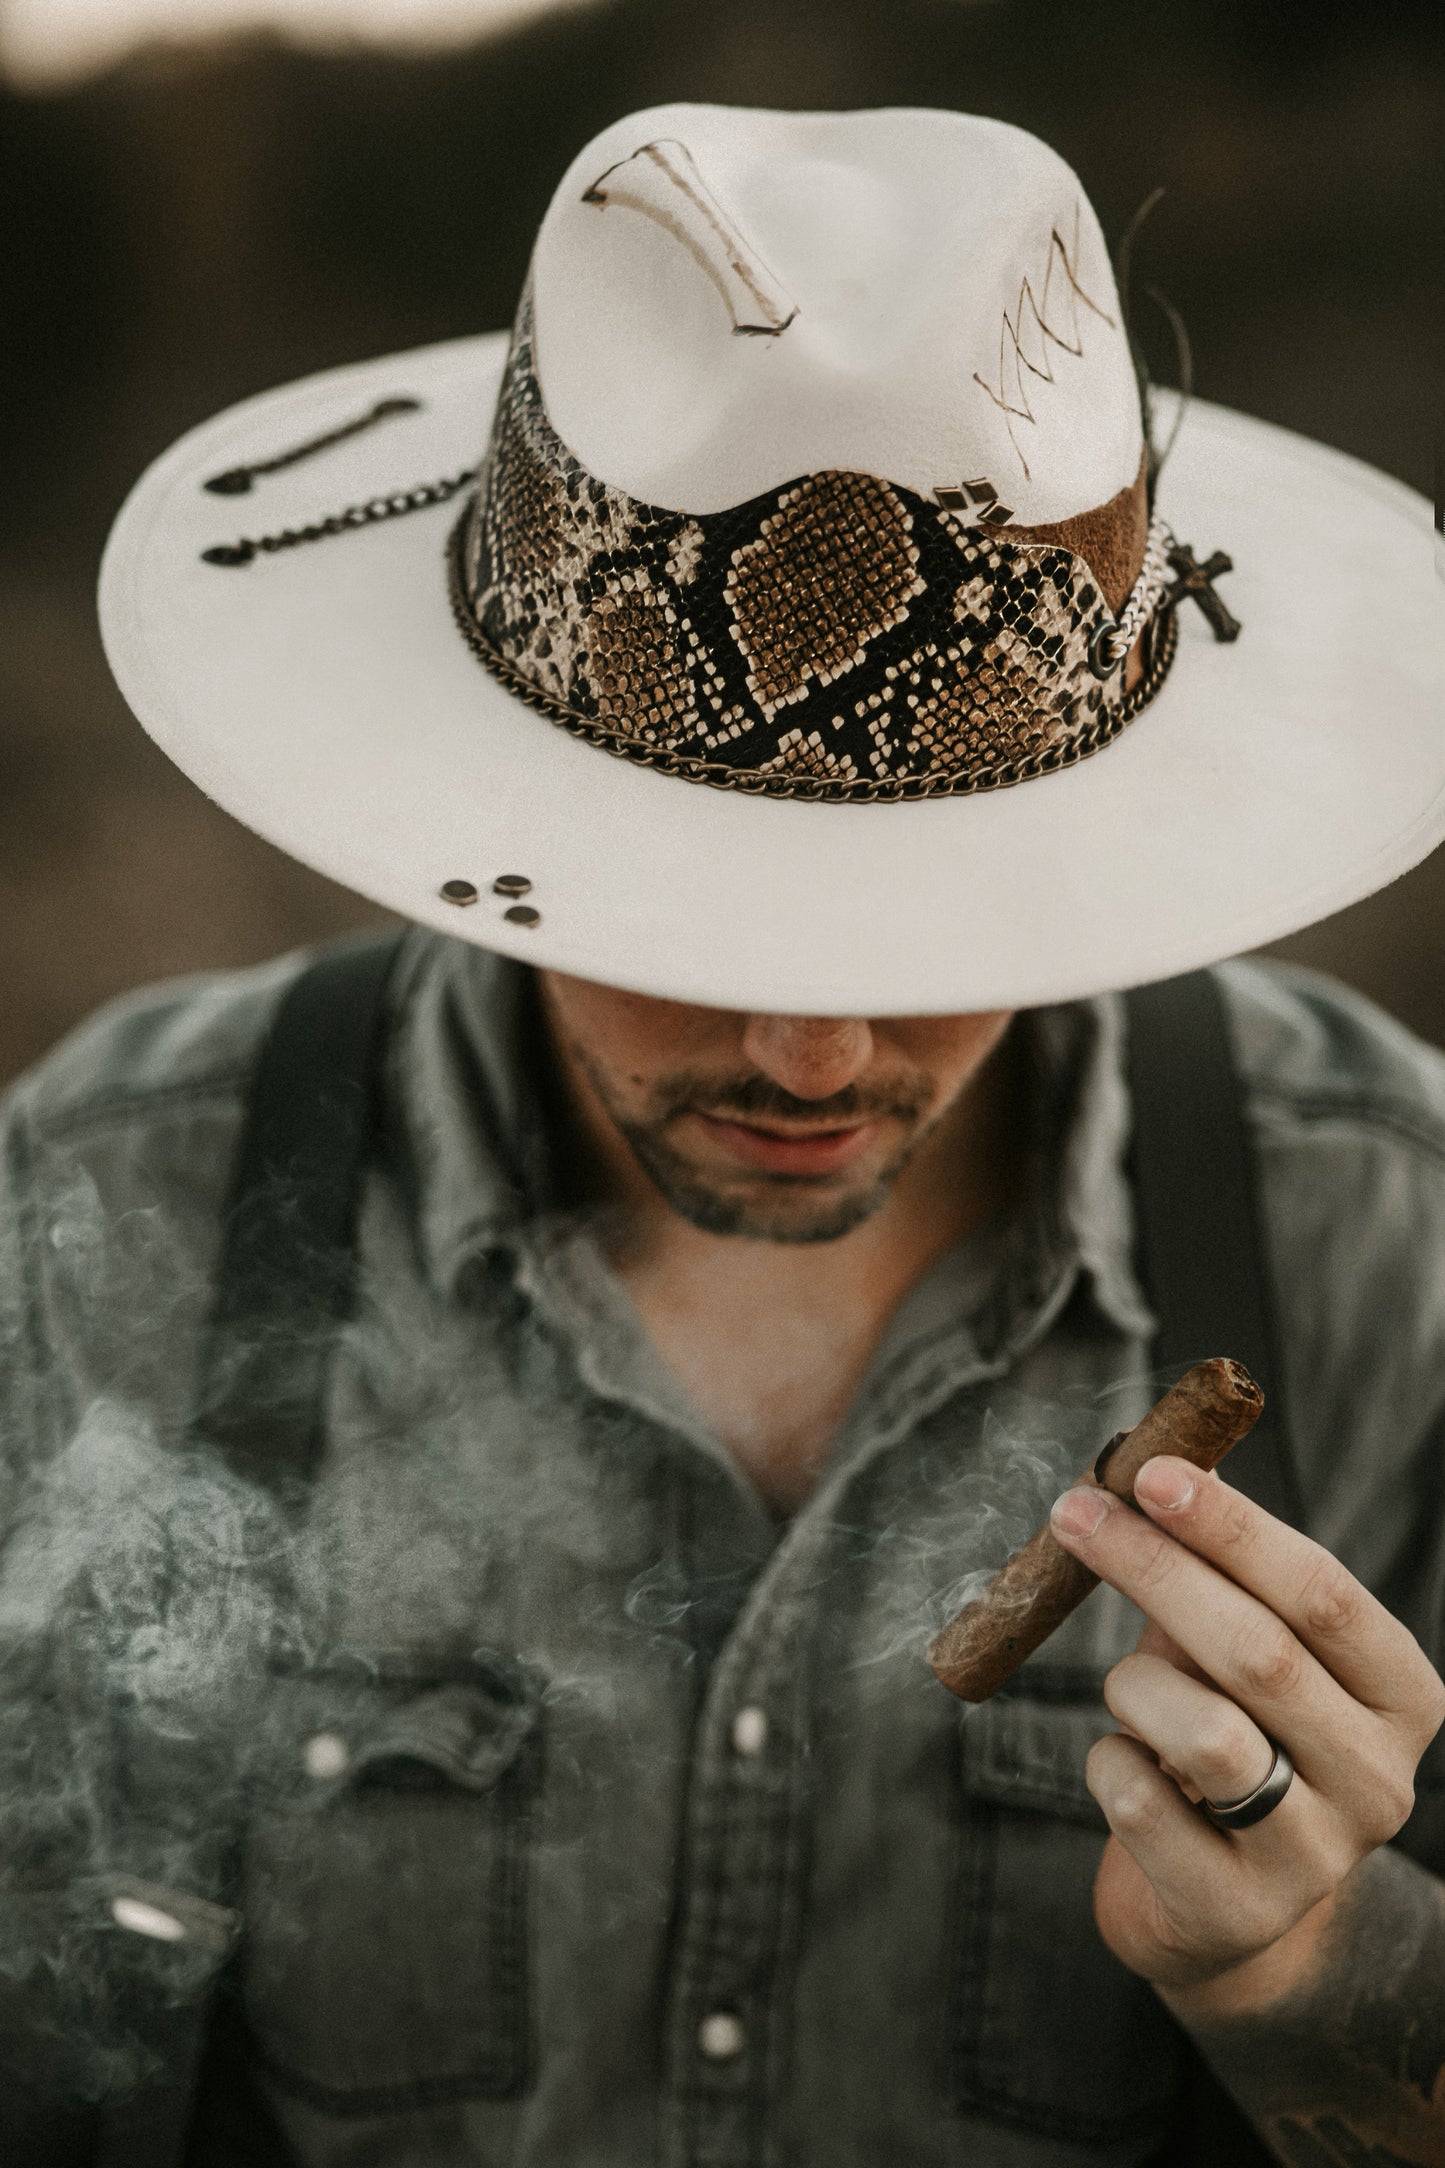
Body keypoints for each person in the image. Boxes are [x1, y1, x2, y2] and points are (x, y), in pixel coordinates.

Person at [3, 102, 1443, 2167]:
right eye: (684, 912)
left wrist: (1309, 1973)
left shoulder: (1393, 1230)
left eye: (940, 916)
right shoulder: (123, 1188)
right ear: (486, 815)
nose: (812, 1041)